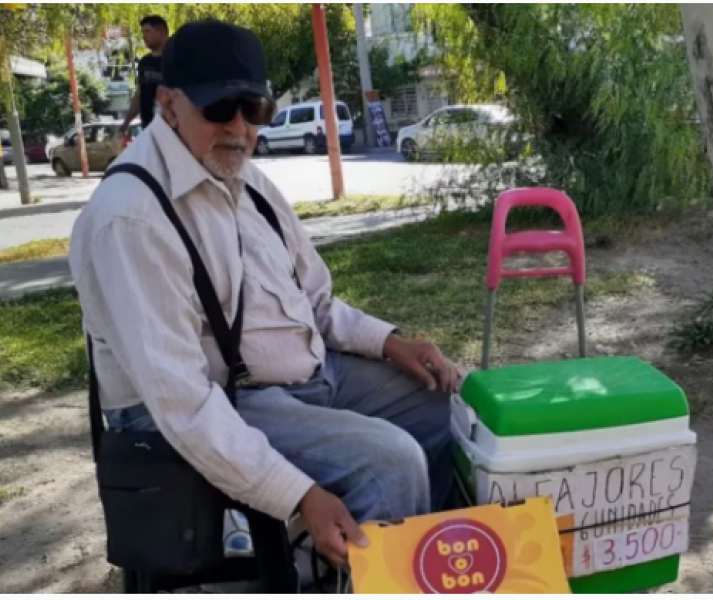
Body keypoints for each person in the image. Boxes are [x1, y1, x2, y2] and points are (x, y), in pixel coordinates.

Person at [70, 19, 457, 569]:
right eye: (220, 107)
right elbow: (184, 405)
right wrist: (297, 494)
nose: (239, 128)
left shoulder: (249, 181)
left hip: (308, 379)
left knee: (447, 402)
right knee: (389, 462)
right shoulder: (131, 217)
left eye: (255, 110)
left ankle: (412, 568)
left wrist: (392, 342)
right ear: (168, 104)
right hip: (213, 402)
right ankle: (356, 572)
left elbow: (316, 303)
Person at [121, 15, 169, 133]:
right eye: (143, 32)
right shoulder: (144, 62)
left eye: (147, 31)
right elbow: (140, 94)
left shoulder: (177, 59)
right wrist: (127, 121)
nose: (144, 36)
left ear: (161, 32)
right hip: (148, 128)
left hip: (172, 128)